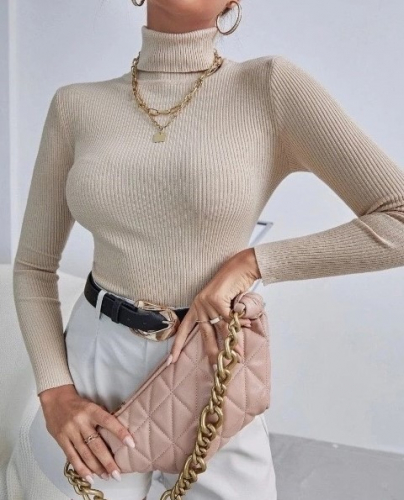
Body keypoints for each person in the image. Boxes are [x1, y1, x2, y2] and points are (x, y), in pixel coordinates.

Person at [11, 0, 404, 499]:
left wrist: (254, 263)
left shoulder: (270, 87)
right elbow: (33, 267)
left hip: (213, 367)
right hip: (93, 365)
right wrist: (54, 392)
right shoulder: (75, 106)